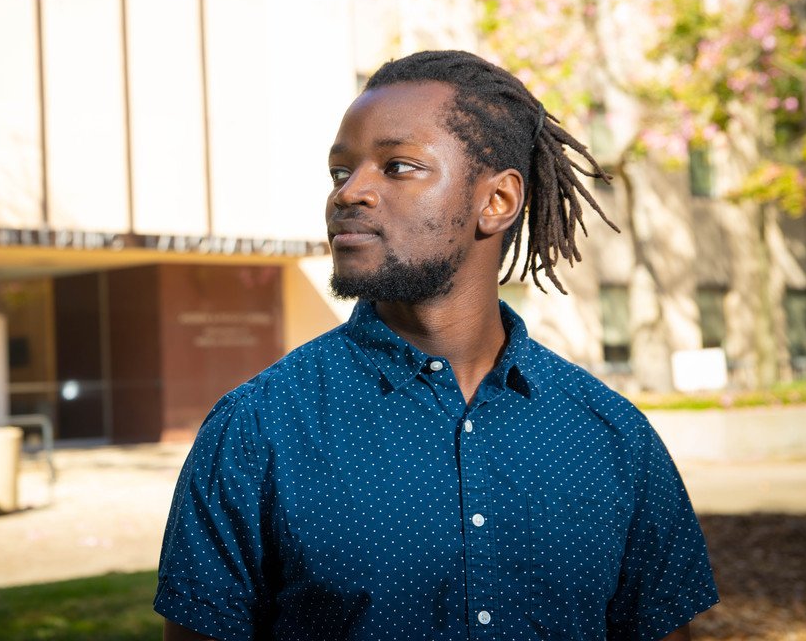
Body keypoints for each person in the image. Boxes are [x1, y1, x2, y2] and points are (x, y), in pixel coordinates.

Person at [154, 50, 719, 641]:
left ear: (497, 201)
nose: (349, 193)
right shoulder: (256, 428)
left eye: (397, 167)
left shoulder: (613, 435)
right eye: (340, 172)